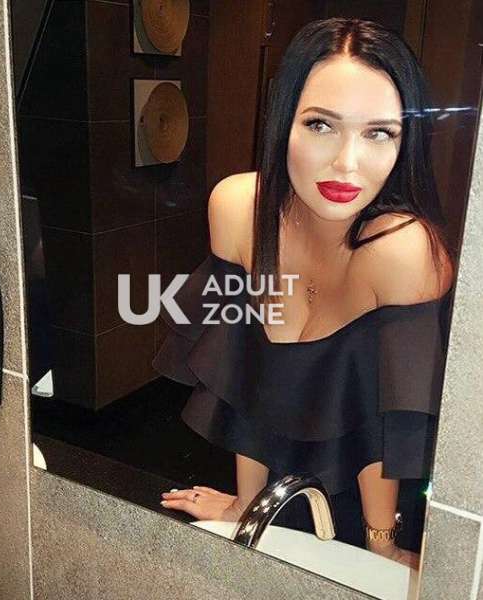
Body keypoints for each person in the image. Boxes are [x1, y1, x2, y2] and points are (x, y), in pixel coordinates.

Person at [153, 17, 454, 570]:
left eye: (379, 133)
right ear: (283, 121)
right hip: (274, 492)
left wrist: (381, 542)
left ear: (404, 142)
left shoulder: (402, 251)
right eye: (320, 125)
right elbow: (241, 374)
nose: (346, 162)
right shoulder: (237, 209)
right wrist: (246, 506)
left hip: (366, 506)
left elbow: (385, 421)